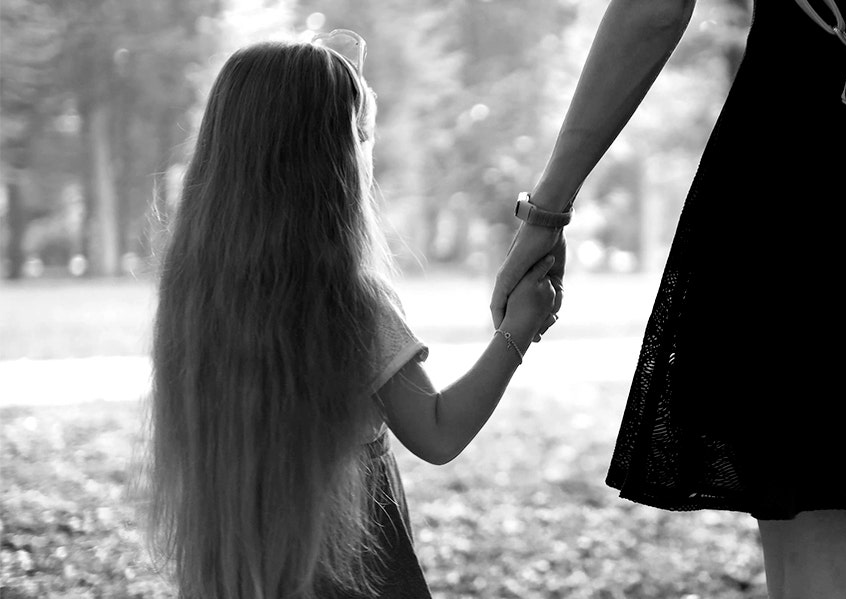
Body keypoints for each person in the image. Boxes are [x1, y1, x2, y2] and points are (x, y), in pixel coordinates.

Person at [490, 0, 846, 597]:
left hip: (800, 180)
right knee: (811, 540)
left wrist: (547, 211)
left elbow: (653, 10)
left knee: (811, 540)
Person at [139, 33, 558, 599]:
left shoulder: (195, 300)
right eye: (361, 140)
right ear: (330, 162)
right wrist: (517, 330)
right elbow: (437, 433)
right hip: (358, 573)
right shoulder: (348, 301)